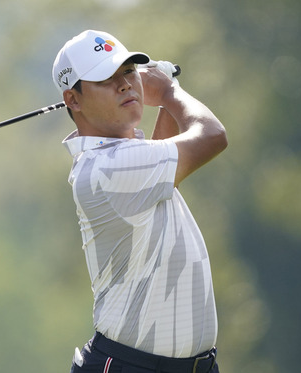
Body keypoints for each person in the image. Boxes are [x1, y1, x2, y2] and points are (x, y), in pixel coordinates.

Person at [52, 30, 227, 373]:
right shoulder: (106, 167)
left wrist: (163, 98)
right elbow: (211, 136)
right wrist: (170, 92)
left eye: (129, 72)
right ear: (73, 99)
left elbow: (167, 162)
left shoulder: (126, 160)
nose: (125, 85)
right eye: (106, 78)